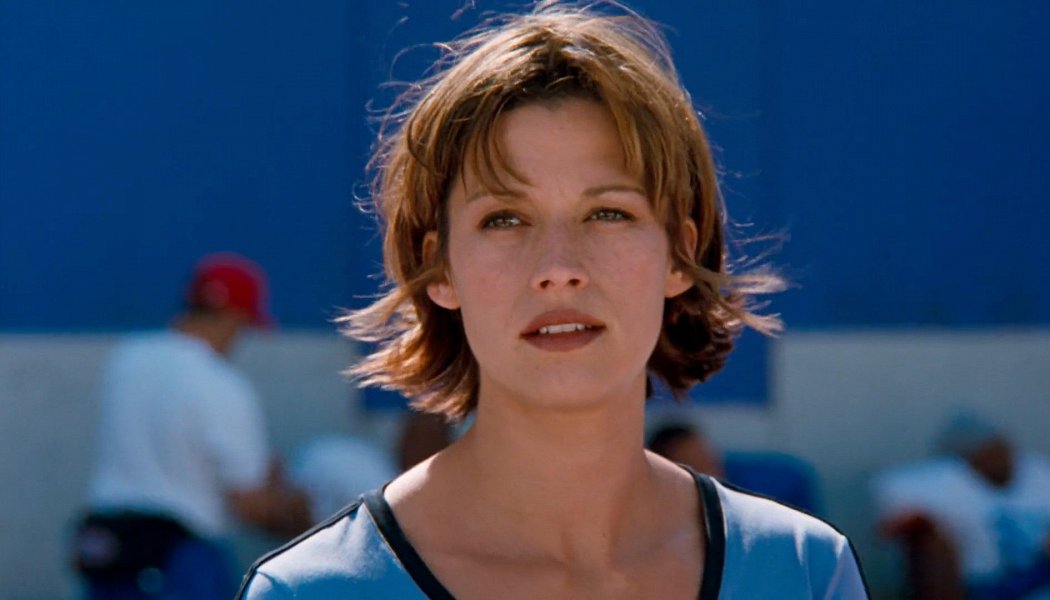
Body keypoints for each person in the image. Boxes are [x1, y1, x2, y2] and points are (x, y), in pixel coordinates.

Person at [239, 3, 869, 598]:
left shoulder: (804, 570)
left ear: (679, 254)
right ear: (440, 267)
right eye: (505, 219)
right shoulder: (312, 589)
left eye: (608, 213)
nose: (559, 269)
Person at [74, 252, 311, 599]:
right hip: (180, 561)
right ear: (235, 318)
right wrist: (305, 517)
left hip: (107, 548)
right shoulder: (221, 385)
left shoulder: (126, 358)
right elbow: (250, 503)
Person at [873, 412, 1050, 599]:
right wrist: (923, 527)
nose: (1002, 458)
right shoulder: (938, 489)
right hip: (985, 586)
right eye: (990, 450)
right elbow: (890, 526)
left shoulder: (1037, 476)